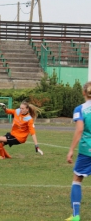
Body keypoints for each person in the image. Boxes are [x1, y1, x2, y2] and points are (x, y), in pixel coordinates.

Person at [65, 81, 91, 221]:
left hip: (87, 150)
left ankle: (76, 215)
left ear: (83, 92)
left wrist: (70, 150)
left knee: (77, 179)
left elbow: (80, 129)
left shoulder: (80, 109)